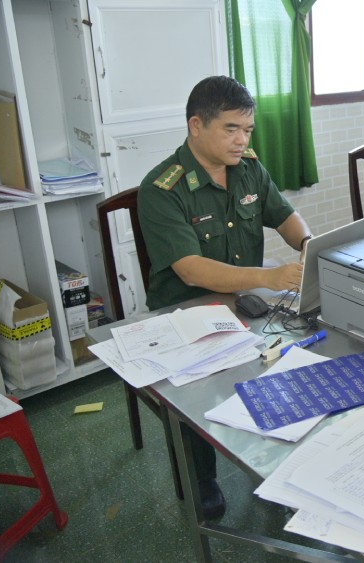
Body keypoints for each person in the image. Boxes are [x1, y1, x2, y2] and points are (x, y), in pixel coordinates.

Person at [138, 75, 313, 520]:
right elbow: (189, 268)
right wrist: (269, 276)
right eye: (231, 129)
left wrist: (311, 248)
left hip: (244, 305)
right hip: (185, 312)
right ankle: (200, 475)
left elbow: (285, 216)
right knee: (196, 388)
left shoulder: (248, 167)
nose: (242, 140)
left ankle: (276, 452)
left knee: (291, 354)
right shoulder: (162, 188)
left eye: (248, 131)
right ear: (196, 126)